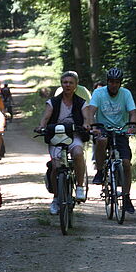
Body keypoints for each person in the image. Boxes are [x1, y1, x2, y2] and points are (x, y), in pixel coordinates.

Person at [86, 67, 136, 214]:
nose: (113, 85)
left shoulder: (126, 93)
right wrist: (92, 126)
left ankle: (127, 197)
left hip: (120, 130)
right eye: (111, 82)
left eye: (117, 82)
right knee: (101, 140)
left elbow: (133, 113)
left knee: (126, 163)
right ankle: (100, 171)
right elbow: (91, 111)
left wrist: (132, 126)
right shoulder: (99, 93)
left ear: (120, 83)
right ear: (107, 82)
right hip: (103, 128)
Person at [36, 71, 89, 215]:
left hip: (74, 135)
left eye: (71, 83)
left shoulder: (81, 102)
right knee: (56, 165)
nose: (68, 85)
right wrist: (41, 127)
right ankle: (56, 198)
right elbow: (45, 118)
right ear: (61, 84)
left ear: (76, 85)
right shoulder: (53, 102)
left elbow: (86, 118)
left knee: (78, 153)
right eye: (65, 82)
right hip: (56, 136)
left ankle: (79, 187)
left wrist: (87, 125)